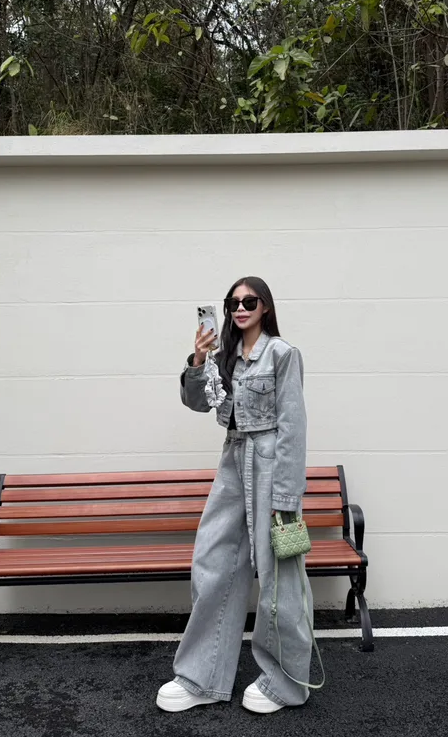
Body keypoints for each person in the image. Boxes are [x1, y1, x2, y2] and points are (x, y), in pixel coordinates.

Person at [156, 276, 313, 714]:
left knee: (279, 577)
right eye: (233, 302)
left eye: (249, 301)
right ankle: (202, 677)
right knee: (213, 562)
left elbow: (293, 426)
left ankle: (286, 683)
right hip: (233, 460)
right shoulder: (223, 356)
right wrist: (198, 359)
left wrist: (286, 495)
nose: (240, 308)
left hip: (270, 465)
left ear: (265, 307)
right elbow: (197, 403)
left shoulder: (282, 354)